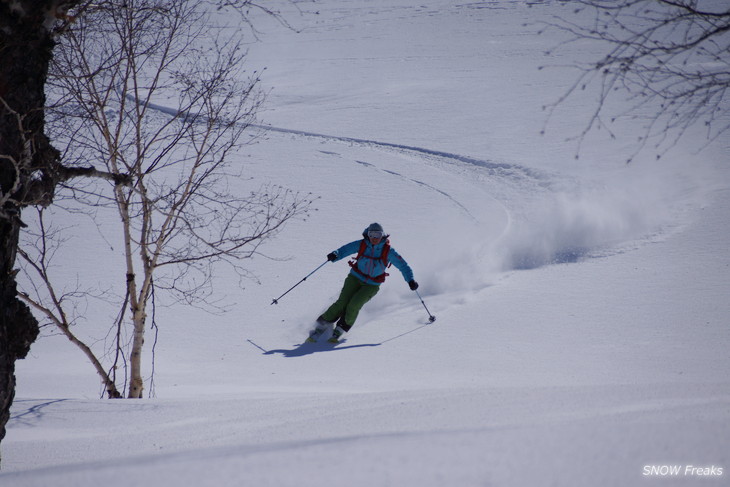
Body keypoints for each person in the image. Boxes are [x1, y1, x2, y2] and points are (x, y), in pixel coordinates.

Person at [308, 223, 419, 343]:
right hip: (355, 277)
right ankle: (322, 324)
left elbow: (403, 265)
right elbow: (346, 249)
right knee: (342, 302)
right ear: (368, 234)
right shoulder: (362, 244)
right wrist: (336, 254)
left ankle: (342, 327)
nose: (374, 238)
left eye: (378, 235)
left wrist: (410, 280)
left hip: (372, 284)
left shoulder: (388, 251)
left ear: (382, 235)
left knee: (354, 305)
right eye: (372, 234)